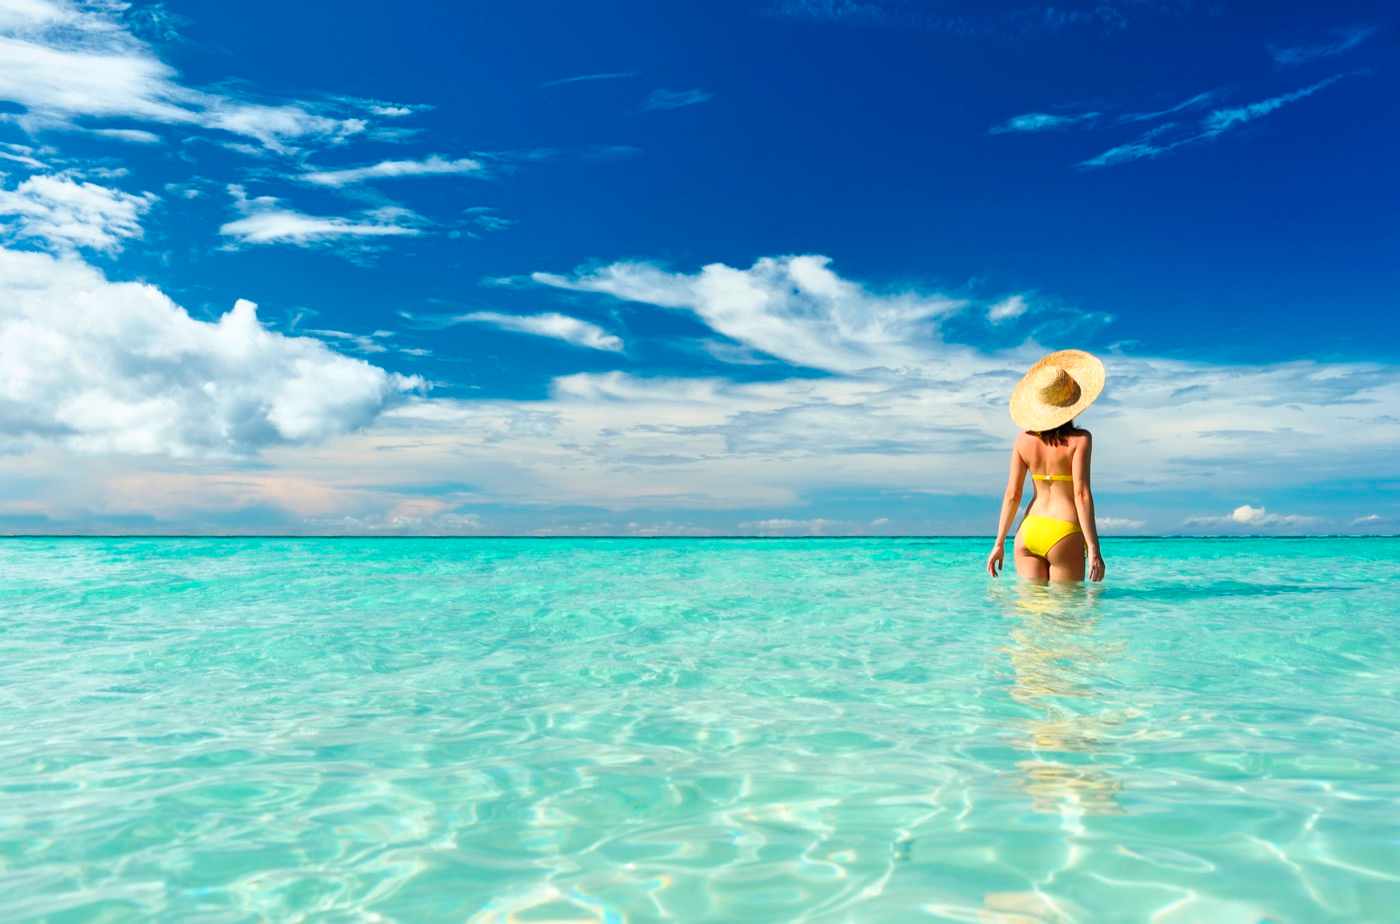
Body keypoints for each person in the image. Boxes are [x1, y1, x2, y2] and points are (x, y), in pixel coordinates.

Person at [986, 350, 1106, 583]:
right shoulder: (1080, 440)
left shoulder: (1022, 441)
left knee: (1032, 615)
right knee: (1066, 615)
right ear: (1072, 403)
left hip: (1028, 531)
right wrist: (1094, 549)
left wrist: (999, 542)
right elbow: (1081, 494)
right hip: (1064, 531)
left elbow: (1013, 495)